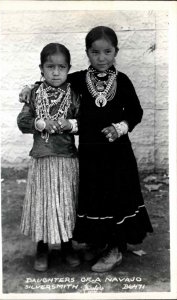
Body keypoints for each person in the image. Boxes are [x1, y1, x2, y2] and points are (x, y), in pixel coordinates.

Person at [19, 26, 153, 273]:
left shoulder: (122, 82)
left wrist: (120, 127)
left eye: (107, 52)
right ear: (87, 53)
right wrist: (29, 86)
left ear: (116, 52)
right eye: (95, 52)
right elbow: (52, 79)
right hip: (90, 154)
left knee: (115, 196)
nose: (101, 58)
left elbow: (136, 112)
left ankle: (115, 248)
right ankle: (100, 242)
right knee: (94, 196)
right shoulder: (79, 79)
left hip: (117, 153)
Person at [17, 43, 80, 272]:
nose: (55, 72)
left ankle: (67, 245)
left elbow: (86, 122)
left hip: (66, 160)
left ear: (68, 68)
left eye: (61, 67)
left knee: (65, 204)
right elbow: (22, 122)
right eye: (50, 66)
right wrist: (40, 122)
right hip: (42, 159)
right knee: (43, 205)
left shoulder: (73, 95)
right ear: (41, 68)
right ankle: (42, 247)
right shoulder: (34, 94)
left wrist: (70, 124)